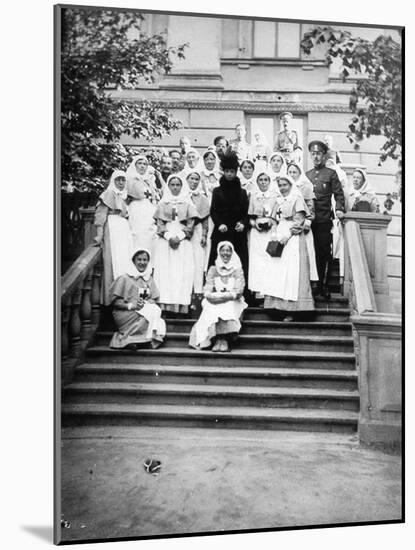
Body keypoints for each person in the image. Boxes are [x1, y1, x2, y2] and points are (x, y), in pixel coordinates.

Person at [263, 176, 315, 320]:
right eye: (280, 185)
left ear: (291, 185)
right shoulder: (278, 201)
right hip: (279, 236)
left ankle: (293, 309)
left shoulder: (297, 199)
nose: (283, 187)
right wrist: (274, 234)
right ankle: (277, 307)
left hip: (293, 239)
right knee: (278, 271)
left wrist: (287, 235)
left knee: (292, 272)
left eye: (285, 184)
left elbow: (299, 221)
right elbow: (273, 220)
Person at [189, 241, 247, 352]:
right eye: (223, 250)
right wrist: (210, 296)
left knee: (228, 306)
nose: (225, 253)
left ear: (232, 252)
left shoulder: (237, 270)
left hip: (233, 299)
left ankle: (224, 339)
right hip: (216, 299)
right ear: (218, 252)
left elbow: (239, 290)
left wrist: (225, 297)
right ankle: (216, 339)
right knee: (211, 307)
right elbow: (208, 287)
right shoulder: (213, 269)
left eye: (228, 250)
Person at [305, 140, 346, 299]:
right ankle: (312, 285)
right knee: (310, 252)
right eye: (313, 154)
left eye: (319, 154)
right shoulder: (307, 175)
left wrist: (339, 209)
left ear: (323, 155)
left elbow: (339, 194)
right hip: (309, 221)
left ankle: (324, 285)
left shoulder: (331, 173)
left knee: (323, 252)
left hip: (323, 220)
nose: (316, 157)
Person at [153, 174, 198, 314]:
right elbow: (159, 224)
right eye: (172, 184)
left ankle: (181, 307)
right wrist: (168, 237)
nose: (175, 187)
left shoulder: (188, 203)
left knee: (182, 272)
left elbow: (191, 224)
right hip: (166, 241)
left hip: (182, 241)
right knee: (166, 273)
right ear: (168, 186)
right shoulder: (162, 203)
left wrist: (179, 237)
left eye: (178, 184)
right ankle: (165, 306)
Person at [109, 249, 166, 349]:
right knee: (146, 319)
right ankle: (127, 340)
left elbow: (154, 299)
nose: (142, 262)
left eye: (145, 260)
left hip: (142, 310)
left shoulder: (149, 279)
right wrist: (131, 305)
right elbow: (115, 302)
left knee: (157, 319)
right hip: (125, 311)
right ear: (133, 261)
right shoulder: (124, 278)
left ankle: (135, 341)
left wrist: (145, 303)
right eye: (139, 259)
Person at [93, 170, 133, 305]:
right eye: (118, 180)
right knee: (112, 263)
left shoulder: (125, 196)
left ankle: (123, 295)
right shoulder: (108, 194)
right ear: (113, 181)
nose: (121, 183)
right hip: (112, 228)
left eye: (123, 180)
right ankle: (110, 300)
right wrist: (99, 235)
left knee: (124, 262)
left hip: (124, 230)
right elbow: (100, 216)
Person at [208, 152, 250, 280]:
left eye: (232, 171)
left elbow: (247, 212)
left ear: (236, 172)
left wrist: (243, 223)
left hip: (237, 234)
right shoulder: (217, 191)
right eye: (227, 171)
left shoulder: (242, 192)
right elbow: (213, 210)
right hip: (222, 232)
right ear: (223, 172)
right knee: (218, 261)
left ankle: (241, 292)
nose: (229, 174)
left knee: (239, 263)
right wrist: (219, 223)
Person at [247, 172, 280, 297]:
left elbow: (277, 214)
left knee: (269, 258)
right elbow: (249, 216)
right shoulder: (253, 196)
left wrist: (271, 222)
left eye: (266, 179)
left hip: (270, 231)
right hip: (257, 232)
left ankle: (269, 292)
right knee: (257, 260)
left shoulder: (275, 196)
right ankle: (257, 292)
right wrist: (254, 224)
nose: (263, 182)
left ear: (269, 182)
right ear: (257, 182)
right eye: (260, 180)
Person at [286, 162, 319, 283]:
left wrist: (308, 221)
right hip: (289, 224)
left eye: (294, 172)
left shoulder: (305, 187)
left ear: (299, 174)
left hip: (302, 225)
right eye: (290, 172)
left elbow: (310, 207)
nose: (292, 174)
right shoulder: (284, 187)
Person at [126, 154, 158, 256]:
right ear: (135, 165)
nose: (142, 166)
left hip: (149, 210)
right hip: (136, 209)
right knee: (137, 234)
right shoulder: (130, 179)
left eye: (145, 164)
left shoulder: (149, 180)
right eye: (140, 163)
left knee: (150, 234)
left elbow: (154, 196)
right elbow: (137, 194)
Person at [186, 172, 210, 295]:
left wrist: (204, 234)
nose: (194, 181)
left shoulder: (202, 198)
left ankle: (197, 292)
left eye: (196, 179)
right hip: (183, 231)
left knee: (198, 261)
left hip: (197, 230)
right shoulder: (182, 196)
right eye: (191, 178)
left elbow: (205, 218)